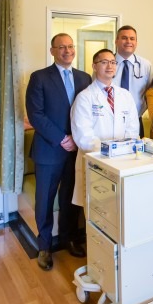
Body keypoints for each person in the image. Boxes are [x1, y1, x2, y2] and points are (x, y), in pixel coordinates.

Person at [26, 33, 92, 271]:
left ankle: (69, 238)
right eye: (61, 47)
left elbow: (90, 112)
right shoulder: (39, 77)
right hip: (49, 150)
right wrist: (62, 138)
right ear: (52, 51)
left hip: (77, 150)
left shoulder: (84, 78)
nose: (67, 51)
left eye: (70, 46)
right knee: (44, 199)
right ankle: (44, 245)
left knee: (70, 199)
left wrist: (78, 139)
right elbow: (36, 114)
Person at [71, 49, 139, 212]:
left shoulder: (125, 95)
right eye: (104, 62)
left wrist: (121, 150)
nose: (110, 66)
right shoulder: (85, 97)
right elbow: (83, 136)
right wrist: (109, 152)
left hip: (123, 161)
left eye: (113, 62)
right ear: (94, 66)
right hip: (96, 162)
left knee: (118, 209)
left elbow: (133, 128)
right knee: (96, 209)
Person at [113, 25, 152, 138]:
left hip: (135, 120)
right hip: (110, 120)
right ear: (116, 41)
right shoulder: (106, 63)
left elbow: (150, 94)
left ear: (136, 42)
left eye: (132, 38)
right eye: (124, 38)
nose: (128, 41)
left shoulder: (146, 65)